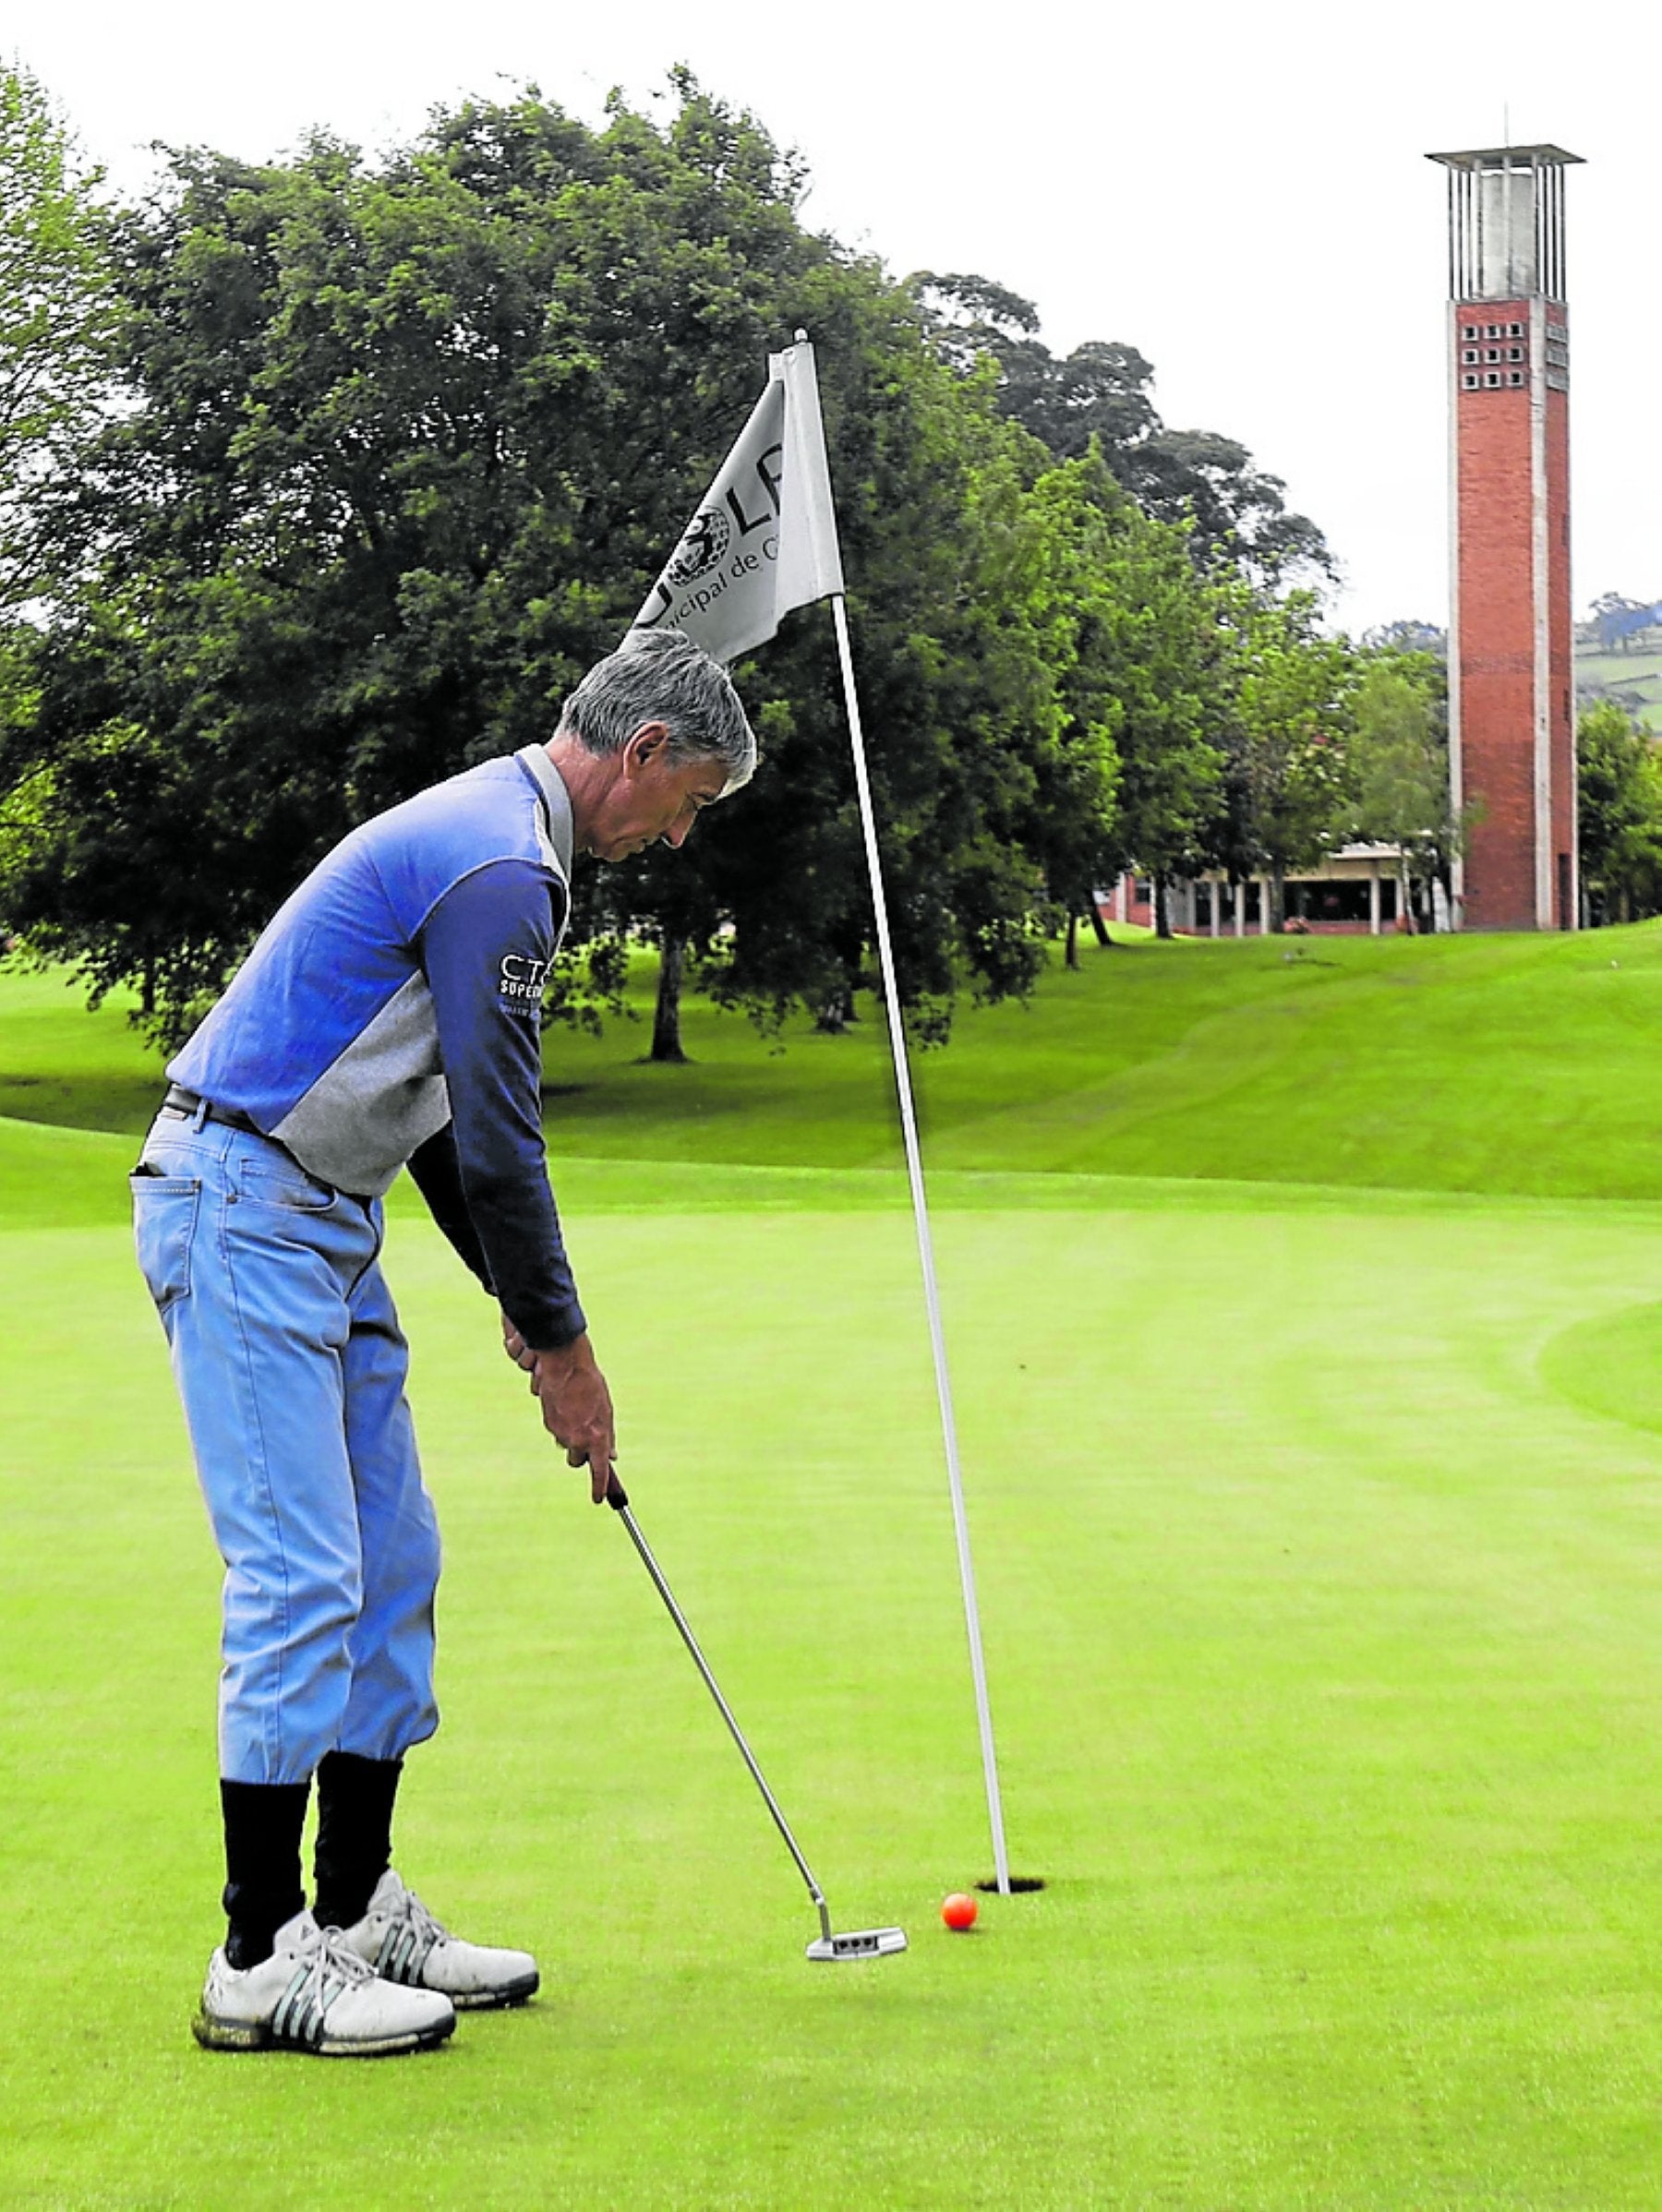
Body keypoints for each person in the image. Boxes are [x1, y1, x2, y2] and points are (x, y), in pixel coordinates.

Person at [131, 630, 754, 2057]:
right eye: (689, 800)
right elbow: (498, 1135)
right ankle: (255, 1956)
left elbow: (433, 1135)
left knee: (391, 1562)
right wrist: (568, 1345)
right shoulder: (505, 869)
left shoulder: (500, 842)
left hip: (316, 1213)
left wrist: (523, 1327)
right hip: (240, 1201)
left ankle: (350, 1915)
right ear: (644, 751)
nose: (677, 833)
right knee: (300, 1572)